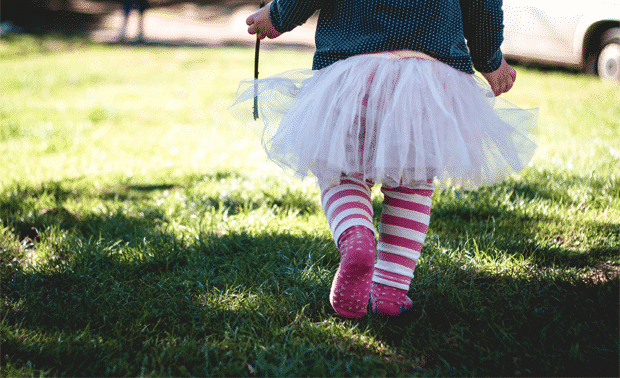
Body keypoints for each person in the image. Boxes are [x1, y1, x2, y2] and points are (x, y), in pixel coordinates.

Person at [231, 0, 536, 318]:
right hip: (430, 74)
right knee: (413, 181)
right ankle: (390, 292)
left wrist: (279, 16)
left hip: (352, 66)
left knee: (342, 170)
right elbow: (483, 5)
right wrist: (490, 60)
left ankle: (356, 235)